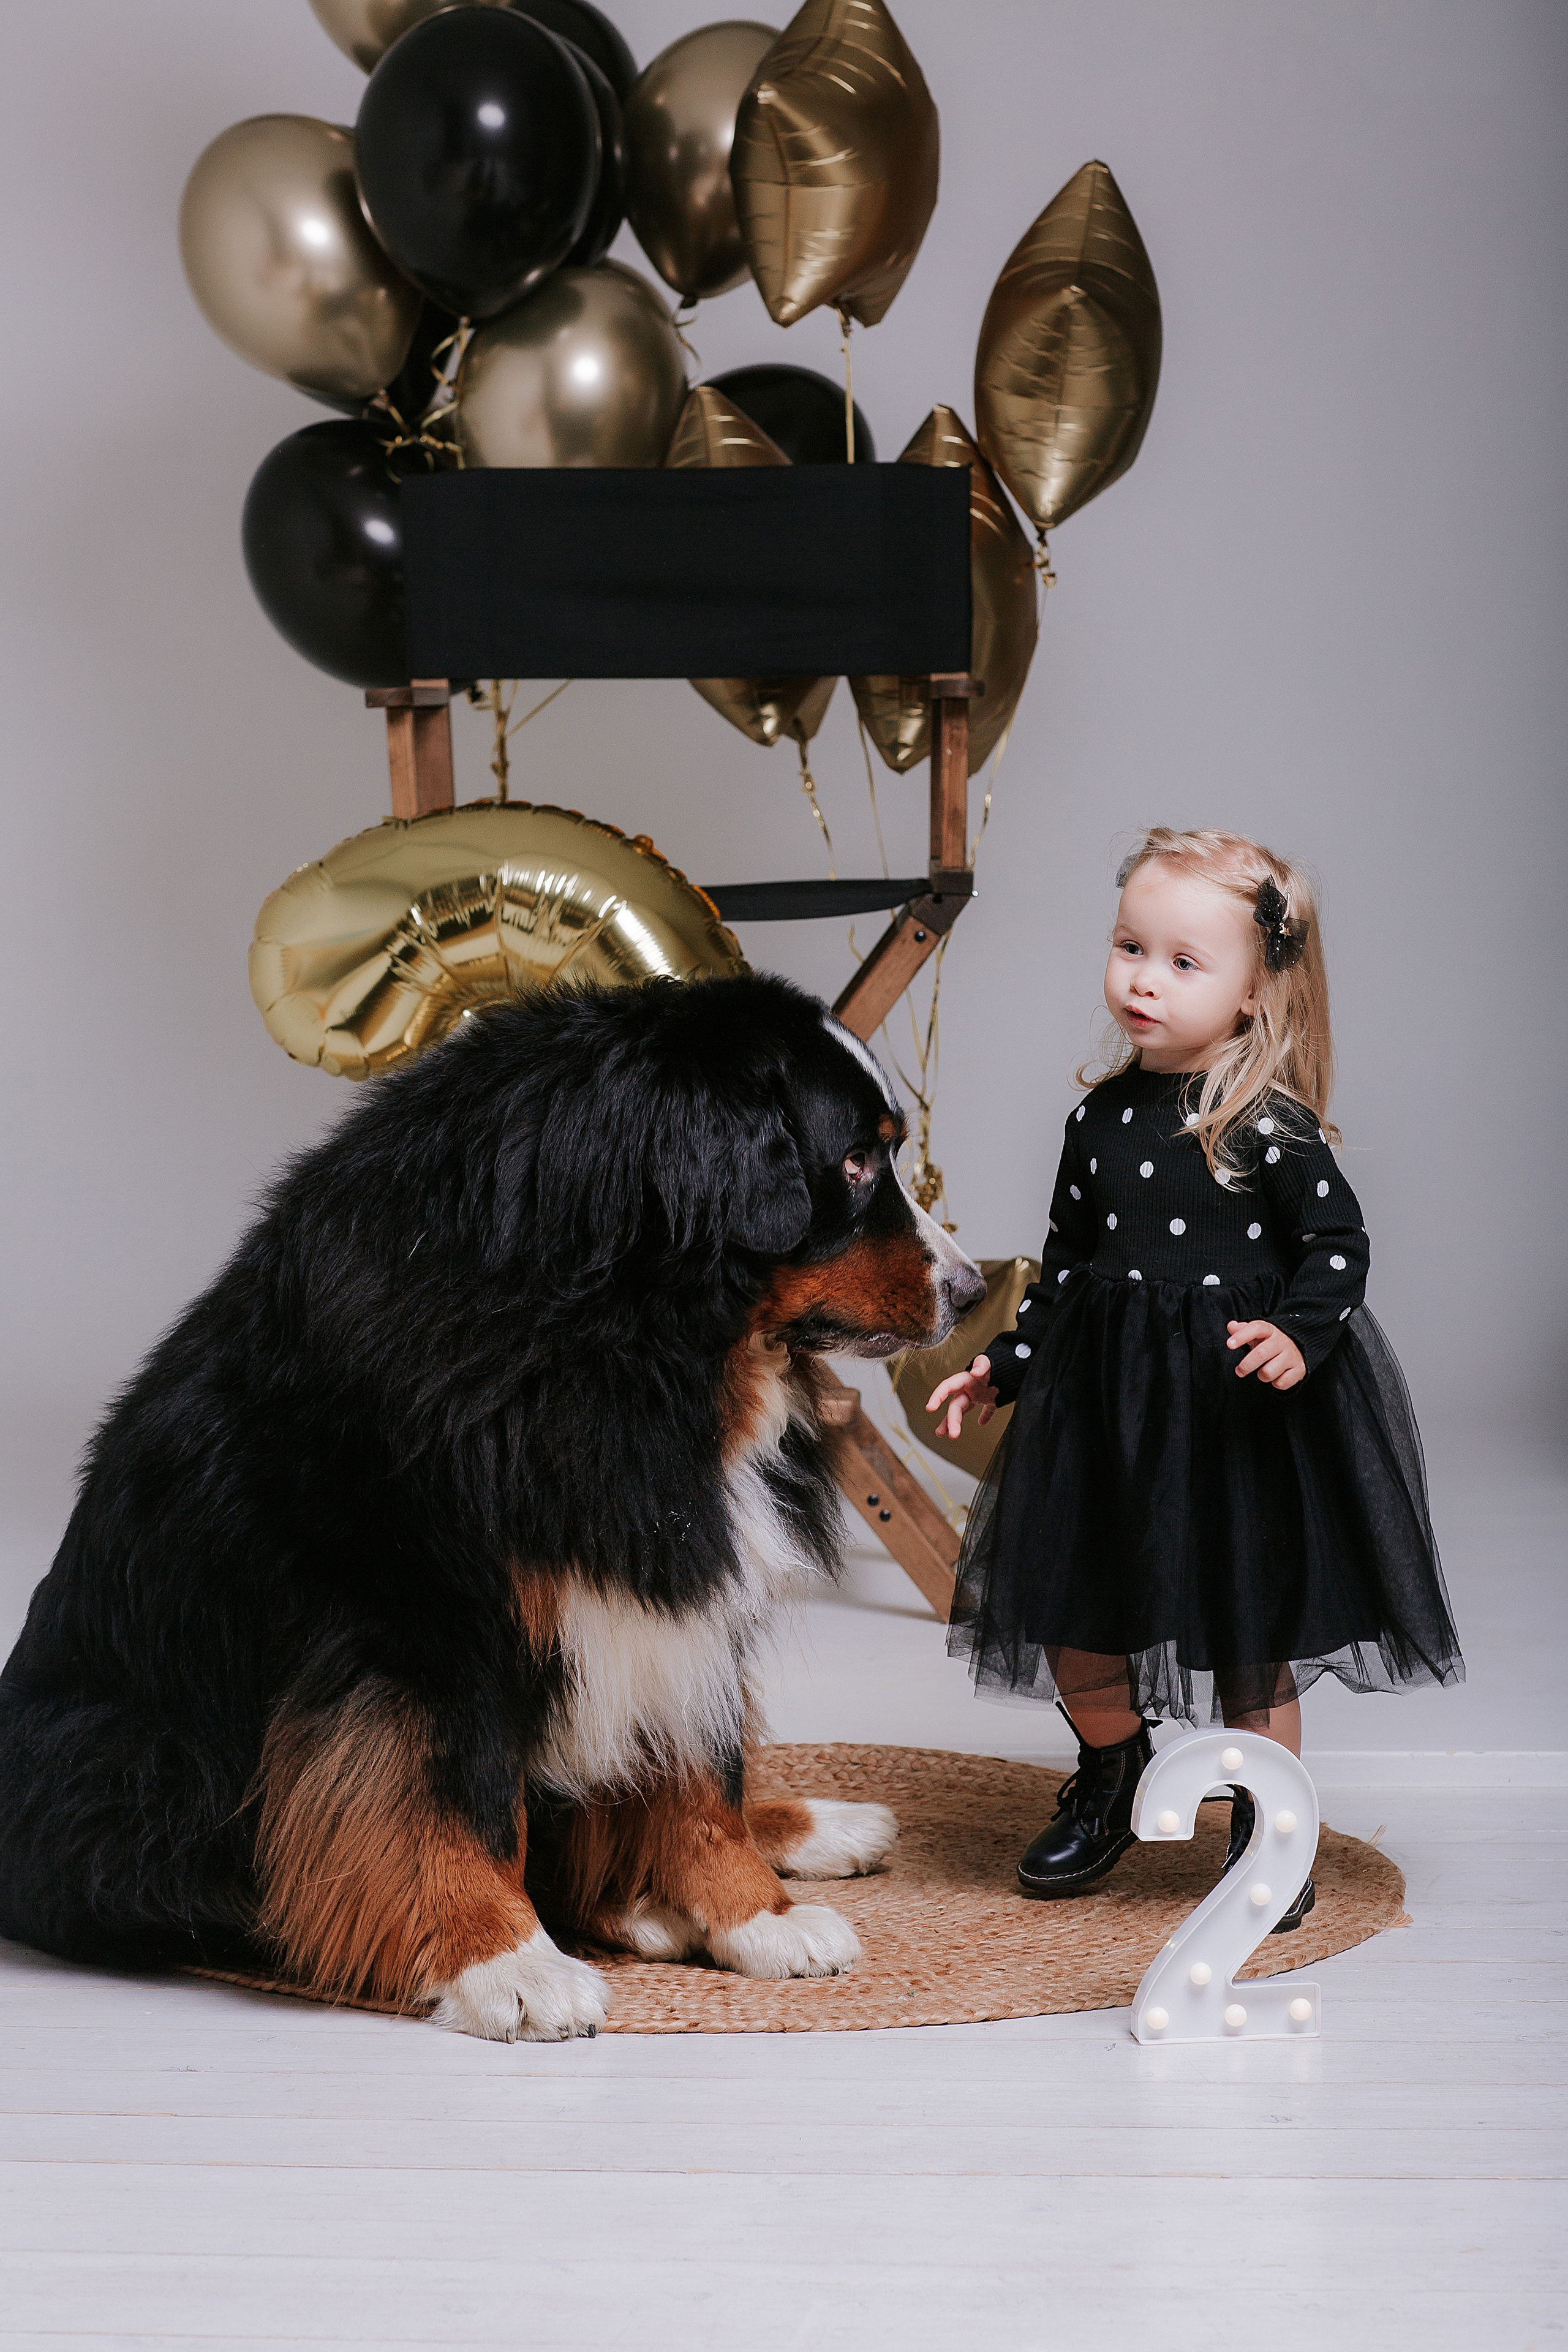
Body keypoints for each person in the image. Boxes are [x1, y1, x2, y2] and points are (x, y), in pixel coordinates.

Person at [928, 827, 1461, 1927]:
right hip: (1108, 1411)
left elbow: (1338, 1246)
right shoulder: (1095, 1122)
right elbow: (1066, 1270)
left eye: (1183, 962)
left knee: (1247, 1639)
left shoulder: (1263, 1125)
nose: (1144, 979)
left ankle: (1271, 1825)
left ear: (1256, 992)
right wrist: (1004, 1364)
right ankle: (1114, 1769)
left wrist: (1301, 1335)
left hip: (1232, 1419)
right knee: (1076, 1612)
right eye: (1131, 947)